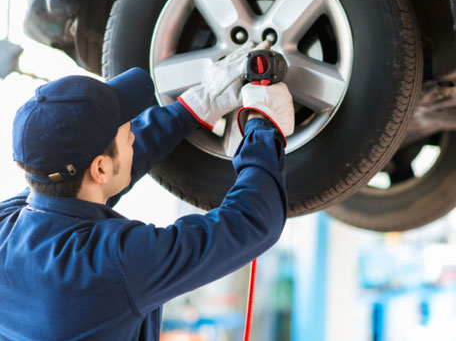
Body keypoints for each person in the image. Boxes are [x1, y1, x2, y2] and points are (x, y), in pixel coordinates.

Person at [0, 42, 294, 340]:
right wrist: (263, 126)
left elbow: (88, 185)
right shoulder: (111, 266)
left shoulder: (8, 224)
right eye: (127, 131)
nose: (133, 136)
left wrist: (193, 107)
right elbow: (253, 222)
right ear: (100, 169)